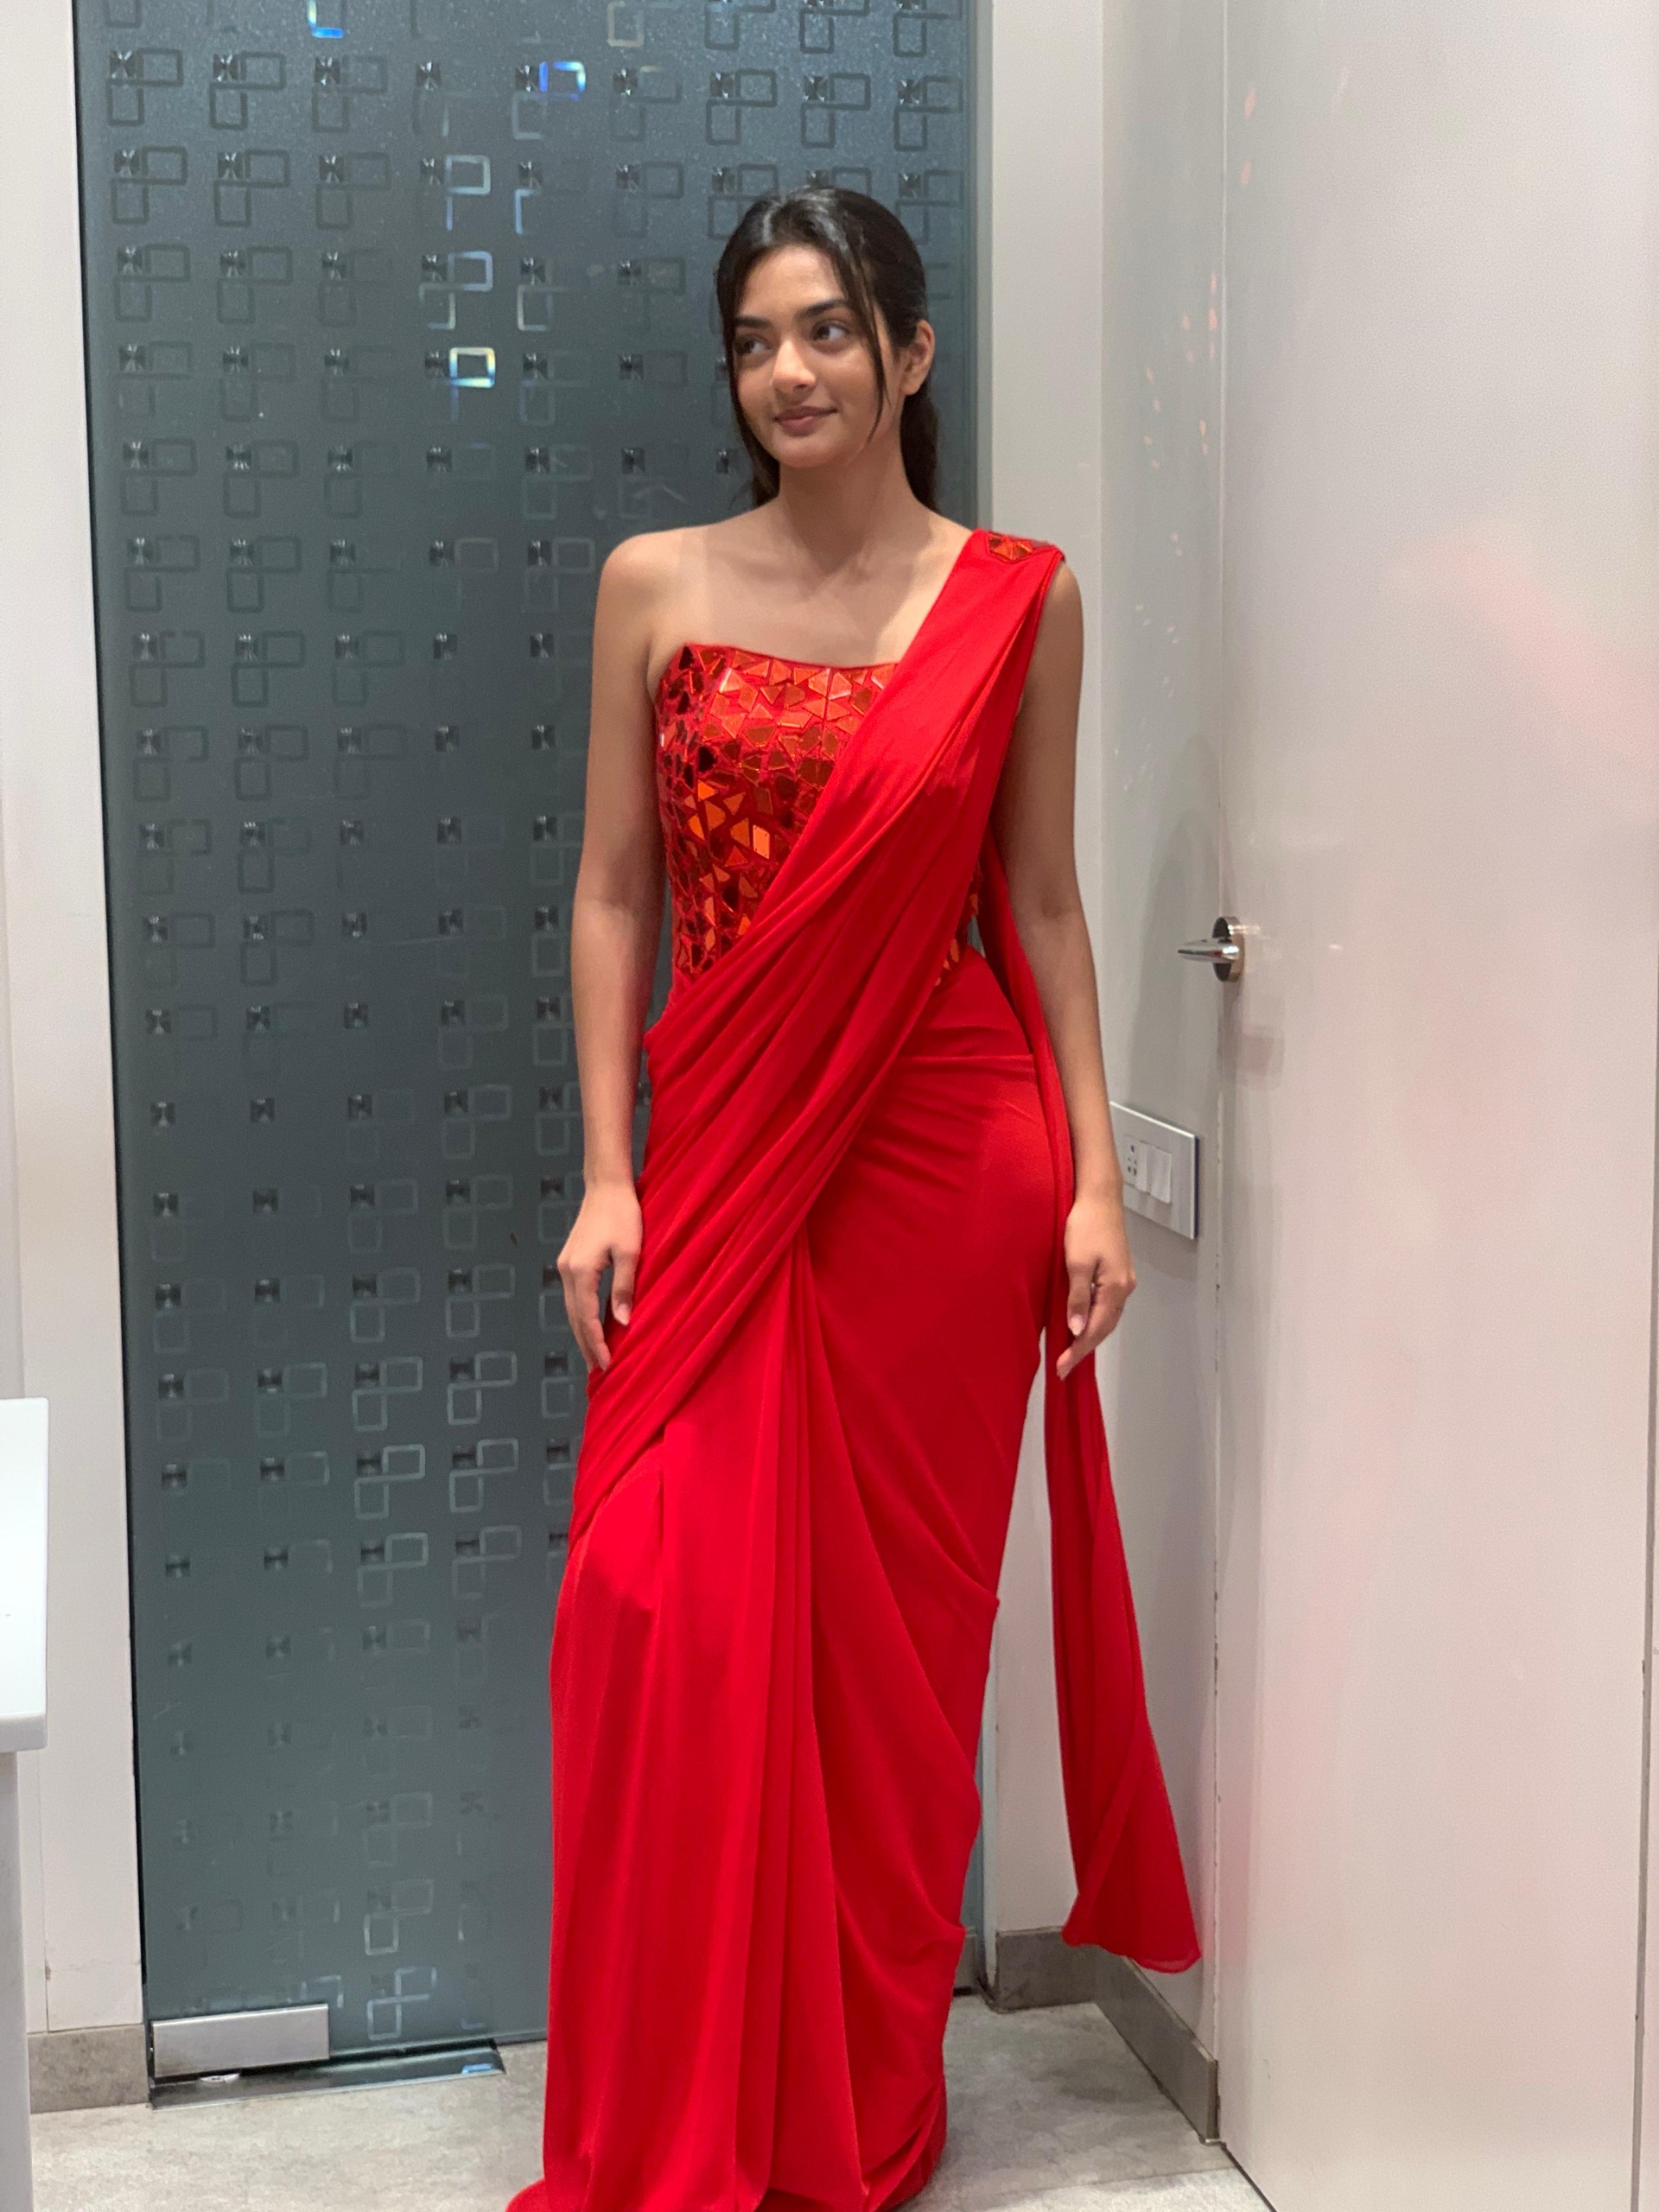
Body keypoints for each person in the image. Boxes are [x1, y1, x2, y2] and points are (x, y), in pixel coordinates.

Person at [505, 186, 1198, 2212]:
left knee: (893, 1671)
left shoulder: (1019, 601)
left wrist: (1093, 1176)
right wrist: (607, 1167)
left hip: (947, 1172)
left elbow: (1040, 903)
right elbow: (613, 891)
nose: (788, 371)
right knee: (654, 1608)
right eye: (754, 339)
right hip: (723, 1155)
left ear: (909, 352)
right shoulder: (654, 583)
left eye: (827, 329)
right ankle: (684, 2111)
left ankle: (854, 2106)